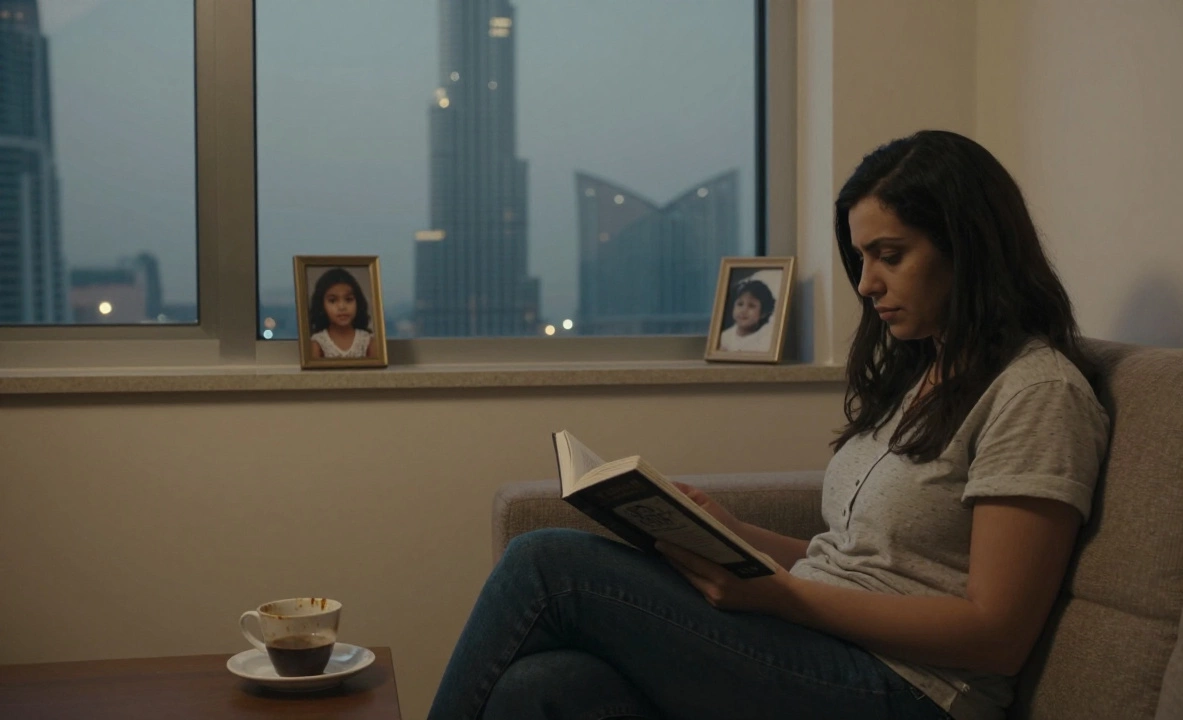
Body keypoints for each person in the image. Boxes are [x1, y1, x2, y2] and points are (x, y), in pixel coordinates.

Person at [426, 130, 1110, 720]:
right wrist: (731, 533)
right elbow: (862, 562)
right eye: (861, 258)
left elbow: (995, 634)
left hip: (911, 690)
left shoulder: (1037, 394)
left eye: (890, 255)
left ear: (969, 248)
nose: (867, 284)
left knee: (546, 564)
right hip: (827, 646)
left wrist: (784, 599)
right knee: (543, 687)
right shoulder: (923, 373)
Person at [308, 267, 377, 359]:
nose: (342, 307)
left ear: (358, 302)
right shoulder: (318, 343)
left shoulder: (368, 341)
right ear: (321, 305)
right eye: (332, 301)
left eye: (348, 299)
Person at [717, 276, 776, 352]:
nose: (743, 310)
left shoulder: (765, 339)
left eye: (751, 306)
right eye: (740, 304)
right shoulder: (724, 337)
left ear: (763, 313)